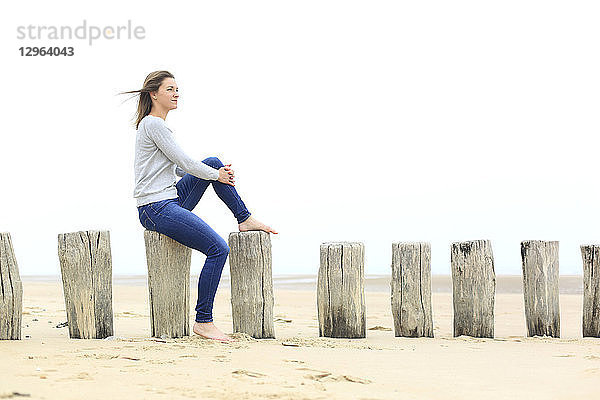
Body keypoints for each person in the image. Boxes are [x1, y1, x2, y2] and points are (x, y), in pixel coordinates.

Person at [121, 70, 277, 343]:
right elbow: (189, 164)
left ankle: (244, 218)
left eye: (176, 89)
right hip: (155, 207)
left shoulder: (156, 126)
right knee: (218, 249)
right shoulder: (153, 124)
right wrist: (216, 177)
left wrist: (214, 173)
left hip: (170, 198)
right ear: (153, 94)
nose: (176, 93)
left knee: (214, 161)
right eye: (169, 89)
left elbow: (180, 169)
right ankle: (204, 321)